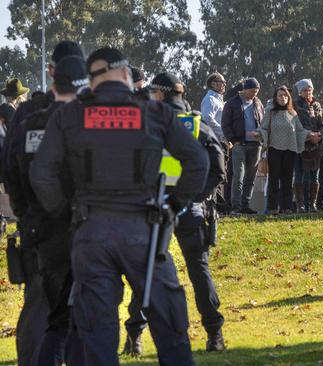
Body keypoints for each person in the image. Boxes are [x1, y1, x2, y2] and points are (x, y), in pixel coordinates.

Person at [29, 47, 205, 366]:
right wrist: (173, 205)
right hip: (146, 230)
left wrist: (65, 212)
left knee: (96, 333)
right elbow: (198, 161)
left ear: (92, 80)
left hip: (90, 230)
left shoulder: (70, 115)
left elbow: (41, 173)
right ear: (126, 75)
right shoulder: (155, 112)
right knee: (171, 329)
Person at [122, 71, 227, 354]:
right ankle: (214, 334)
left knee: (147, 273)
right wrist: (197, 197)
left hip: (157, 207)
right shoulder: (196, 121)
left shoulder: (150, 123)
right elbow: (218, 168)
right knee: (199, 270)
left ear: (161, 93)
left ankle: (135, 338)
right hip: (190, 208)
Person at [2, 40, 84, 366]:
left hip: (39, 228)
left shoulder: (27, 113)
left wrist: (27, 216)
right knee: (83, 308)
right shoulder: (91, 115)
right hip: (83, 226)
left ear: (52, 72)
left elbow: (9, 169)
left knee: (38, 305)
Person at [252, 85, 319, 213]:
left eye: (285, 96)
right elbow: (264, 128)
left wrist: (310, 135)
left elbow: (299, 131)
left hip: (290, 150)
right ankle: (272, 208)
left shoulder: (292, 113)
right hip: (274, 150)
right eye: (280, 95)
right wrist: (258, 134)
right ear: (275, 98)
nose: (283, 98)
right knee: (274, 179)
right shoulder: (270, 113)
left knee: (287, 180)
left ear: (288, 98)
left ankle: (286, 207)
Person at [222, 77, 264, 214]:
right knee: (238, 176)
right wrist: (234, 140)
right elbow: (225, 124)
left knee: (251, 177)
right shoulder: (232, 103)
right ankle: (236, 207)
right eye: (252, 91)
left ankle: (246, 205)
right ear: (244, 89)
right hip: (239, 144)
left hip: (256, 145)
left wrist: (261, 135)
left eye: (256, 91)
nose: (254, 94)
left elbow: (263, 122)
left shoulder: (258, 103)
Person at [293, 79, 323, 212]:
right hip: (301, 145)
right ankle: (300, 204)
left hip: (317, 146)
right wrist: (309, 136)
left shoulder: (317, 105)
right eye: (305, 90)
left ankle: (312, 204)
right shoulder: (294, 105)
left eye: (309, 89)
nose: (308, 92)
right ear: (300, 92)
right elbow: (296, 125)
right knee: (300, 175)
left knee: (315, 176)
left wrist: (319, 136)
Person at [201, 72, 227, 140]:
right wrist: (224, 132)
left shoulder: (217, 100)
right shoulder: (210, 99)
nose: (224, 84)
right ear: (213, 84)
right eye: (222, 82)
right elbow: (207, 119)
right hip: (214, 140)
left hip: (220, 139)